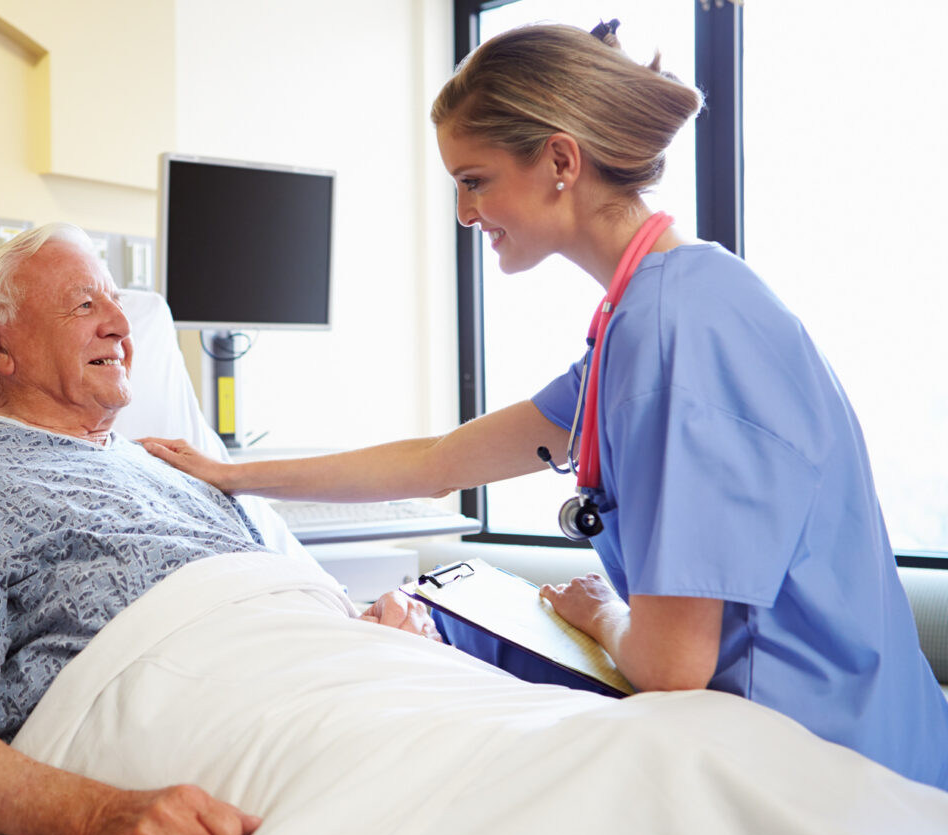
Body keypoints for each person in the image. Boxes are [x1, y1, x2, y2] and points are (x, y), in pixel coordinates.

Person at [142, 22, 948, 792]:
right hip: (868, 728)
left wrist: (602, 614)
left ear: (561, 159)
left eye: (474, 180)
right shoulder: (655, 312)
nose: (464, 214)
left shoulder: (676, 330)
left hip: (831, 767)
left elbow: (673, 666)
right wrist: (233, 474)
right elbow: (440, 462)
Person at [0, 223, 438, 835]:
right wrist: (90, 816)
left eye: (117, 304)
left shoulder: (174, 468)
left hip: (354, 682)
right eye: (84, 306)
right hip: (215, 717)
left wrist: (362, 622)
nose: (120, 326)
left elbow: (264, 603)